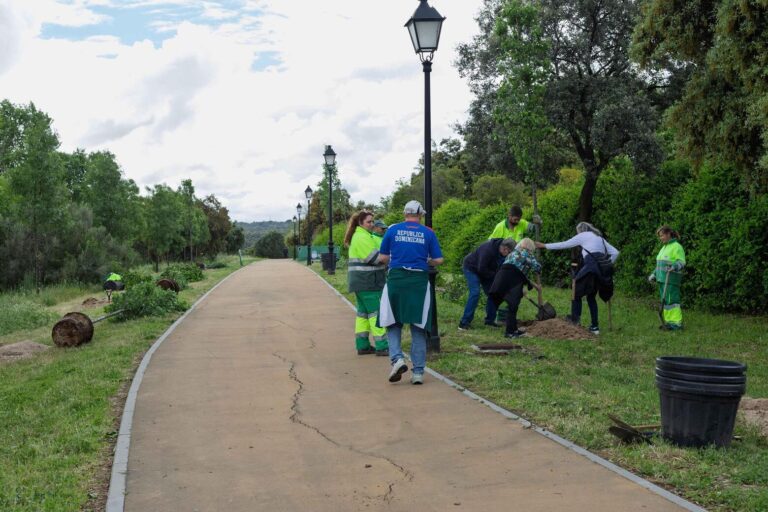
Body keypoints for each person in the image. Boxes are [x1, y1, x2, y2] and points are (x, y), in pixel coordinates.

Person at [378, 200, 444, 385]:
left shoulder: (392, 230)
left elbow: (383, 258)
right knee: (418, 326)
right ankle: (418, 372)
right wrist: (426, 261)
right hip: (419, 283)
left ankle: (397, 359)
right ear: (420, 215)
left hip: (396, 280)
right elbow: (439, 260)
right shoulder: (428, 233)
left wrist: (397, 257)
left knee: (393, 322)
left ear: (404, 213)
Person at [535, 222, 619, 335]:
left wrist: (544, 245)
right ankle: (595, 327)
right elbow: (615, 253)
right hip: (600, 271)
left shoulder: (583, 235)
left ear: (580, 230)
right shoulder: (600, 238)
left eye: (577, 232)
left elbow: (564, 244)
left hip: (590, 267)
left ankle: (575, 320)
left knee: (575, 291)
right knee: (591, 297)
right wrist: (606, 265)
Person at [344, 210, 389, 355]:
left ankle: (362, 345)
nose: (371, 224)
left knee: (363, 314)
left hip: (360, 282)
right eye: (369, 222)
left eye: (372, 222)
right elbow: (375, 259)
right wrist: (391, 258)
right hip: (369, 281)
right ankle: (382, 345)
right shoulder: (362, 237)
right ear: (360, 223)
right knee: (376, 313)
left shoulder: (360, 236)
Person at [458, 237, 517, 330]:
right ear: (505, 248)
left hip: (486, 271)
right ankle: (464, 322)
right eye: (509, 252)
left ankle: (490, 321)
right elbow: (481, 269)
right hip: (472, 268)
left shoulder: (502, 252)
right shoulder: (488, 249)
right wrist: (496, 277)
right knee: (475, 293)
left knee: (494, 293)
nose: (508, 255)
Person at [488, 238, 542, 338]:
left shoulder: (513, 253)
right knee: (513, 306)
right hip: (512, 280)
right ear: (530, 247)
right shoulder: (528, 254)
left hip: (501, 278)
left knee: (509, 304)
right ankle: (509, 333)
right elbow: (537, 267)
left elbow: (519, 269)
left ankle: (513, 329)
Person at [649, 225, 686, 330]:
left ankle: (677, 324)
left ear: (668, 234)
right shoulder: (664, 248)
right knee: (666, 302)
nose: (661, 238)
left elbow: (681, 262)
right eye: (660, 236)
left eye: (662, 236)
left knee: (672, 302)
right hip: (662, 280)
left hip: (671, 280)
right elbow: (660, 265)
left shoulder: (676, 246)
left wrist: (674, 267)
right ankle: (669, 323)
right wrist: (654, 275)